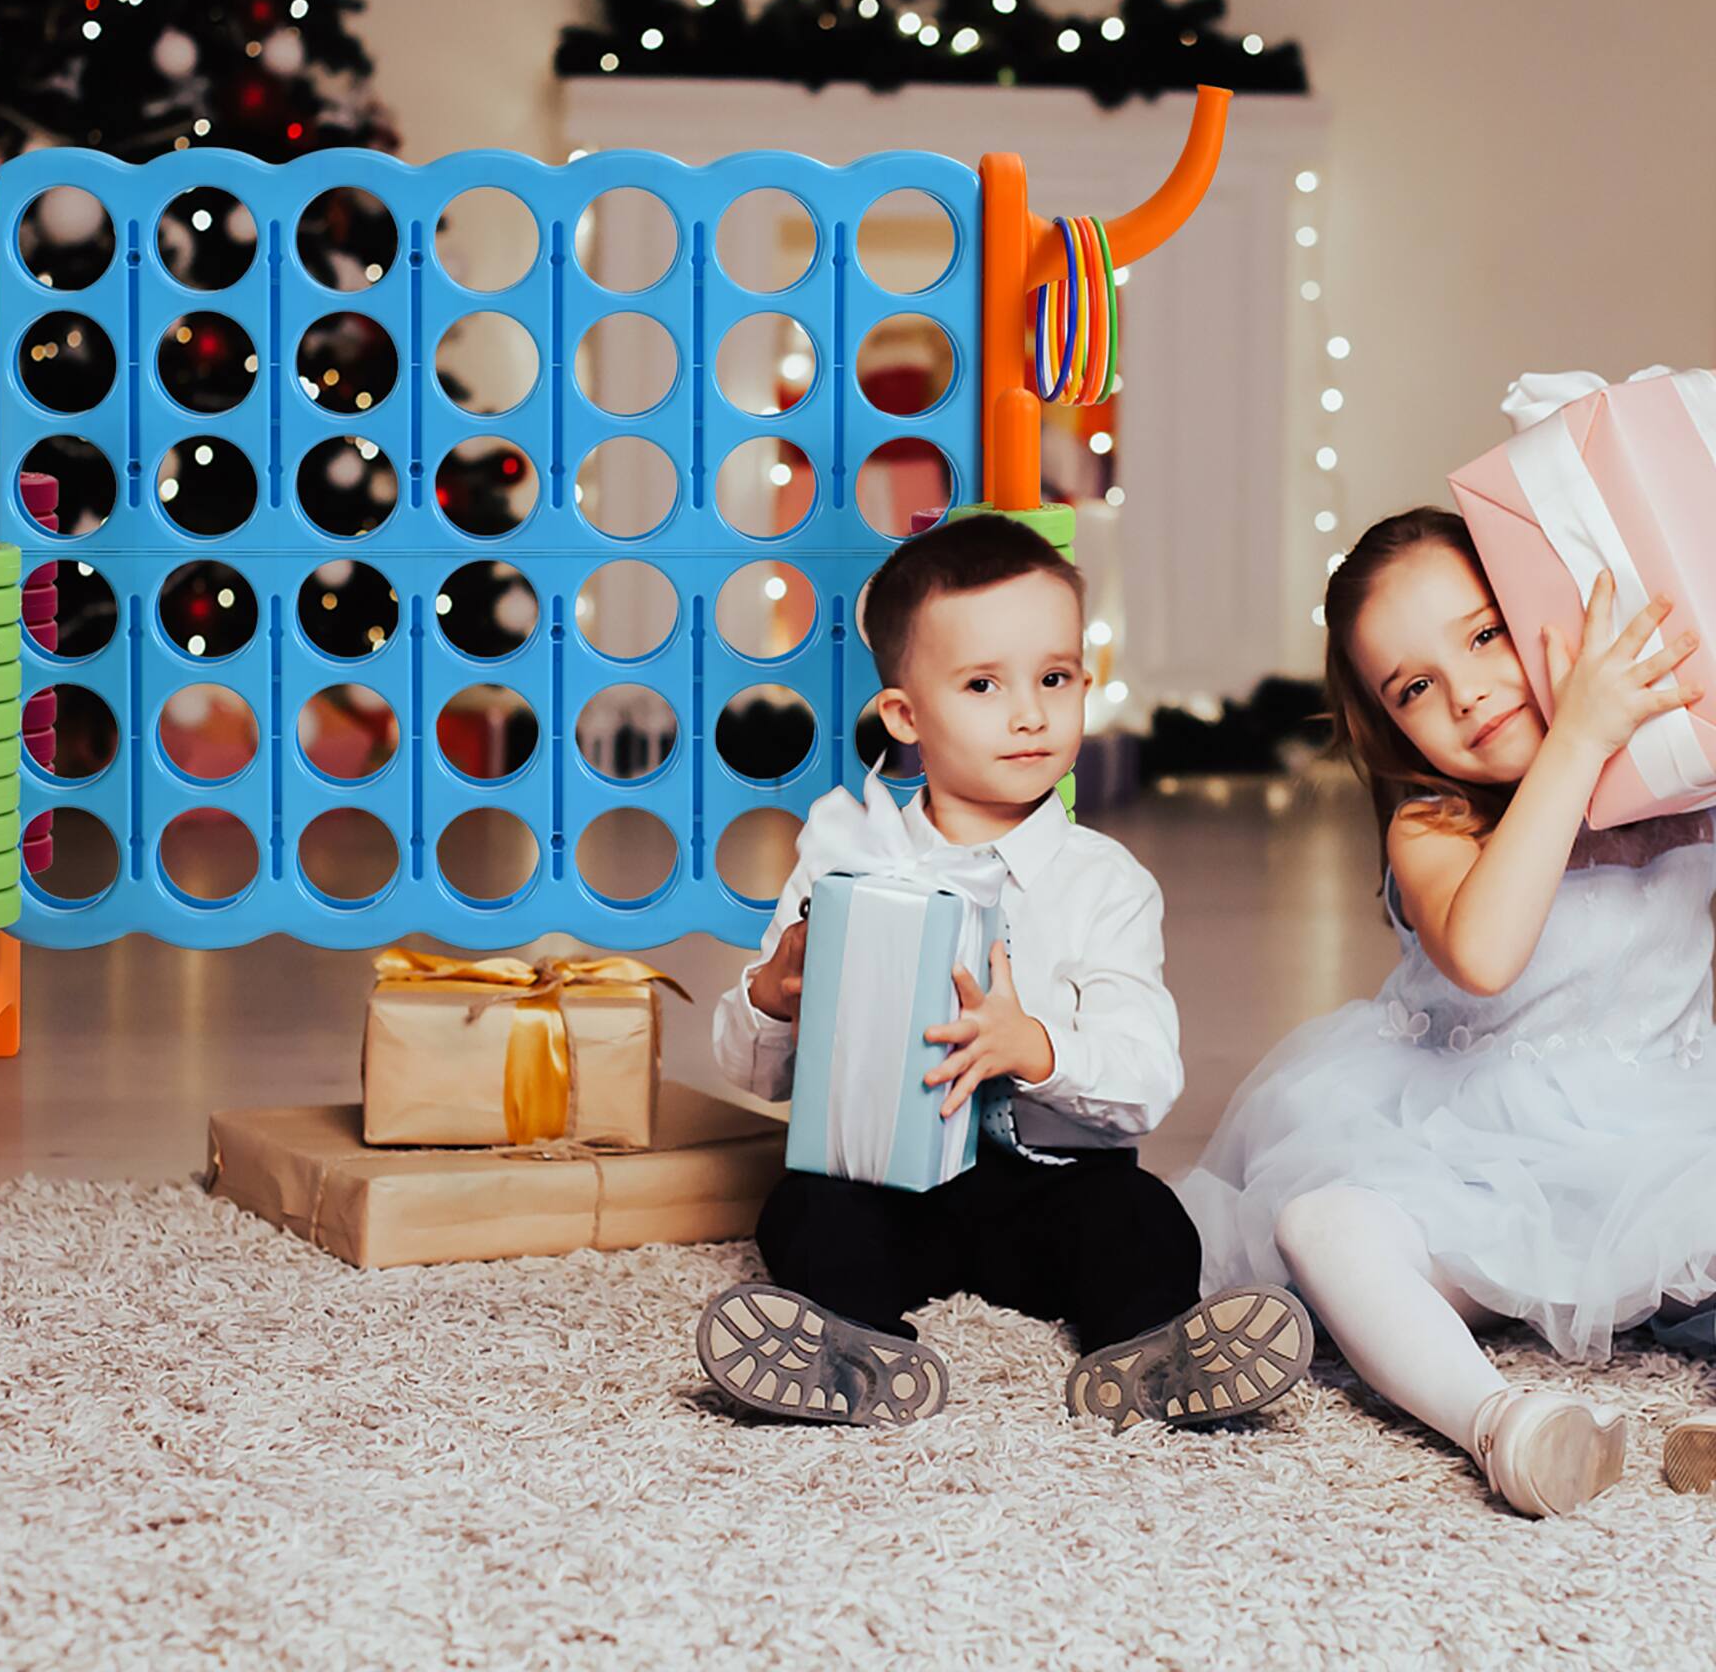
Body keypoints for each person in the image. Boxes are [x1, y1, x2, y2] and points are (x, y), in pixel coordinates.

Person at [697, 513, 1312, 1428]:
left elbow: (1148, 1079)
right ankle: (856, 1352)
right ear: (906, 715)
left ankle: (1147, 1358)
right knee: (802, 1213)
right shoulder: (845, 857)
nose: (1030, 713)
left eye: (1054, 679)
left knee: (1146, 1219)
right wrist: (774, 998)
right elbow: (753, 1074)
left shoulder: (1104, 883)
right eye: (983, 684)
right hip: (891, 1187)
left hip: (1051, 1186)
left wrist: (1035, 1047)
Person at [1179, 506, 1716, 1516]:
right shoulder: (1430, 823)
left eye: (1484, 633)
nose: (1464, 690)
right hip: (1465, 1148)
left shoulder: (1678, 794)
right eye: (1413, 687)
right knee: (1321, 1224)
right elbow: (1480, 949)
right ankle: (1500, 1423)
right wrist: (1578, 735)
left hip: (1655, 1141)